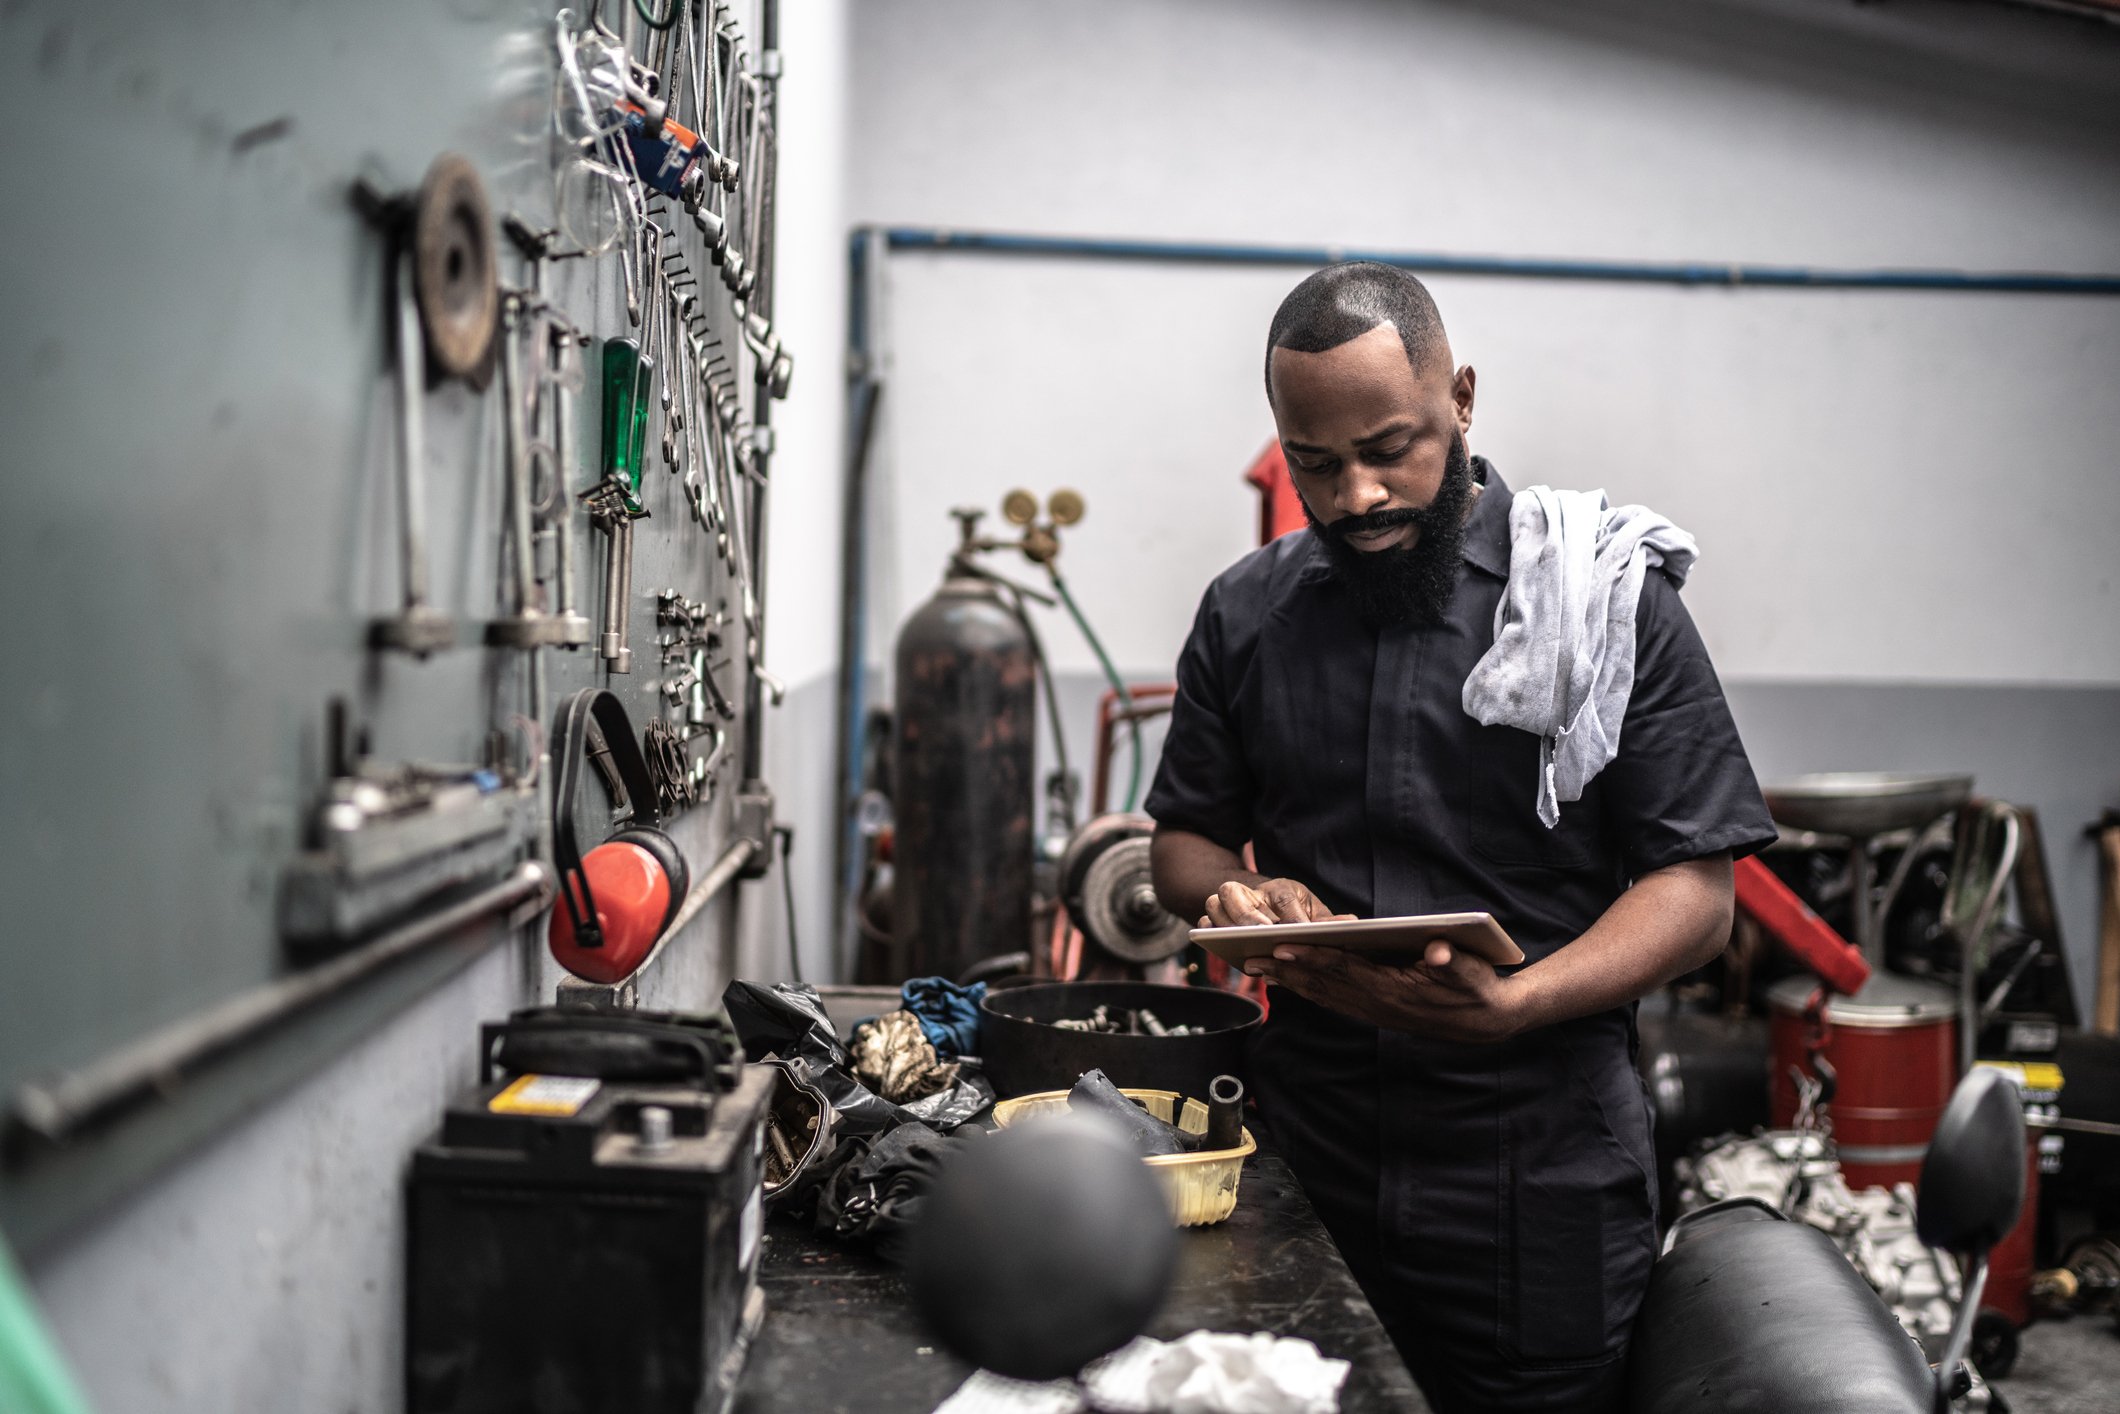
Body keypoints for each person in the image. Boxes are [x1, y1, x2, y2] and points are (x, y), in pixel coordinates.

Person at [1146, 262, 1777, 1413]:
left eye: (1392, 447)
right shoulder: (1245, 614)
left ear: (1464, 400)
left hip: (1534, 1179)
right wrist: (1235, 898)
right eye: (1316, 463)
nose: (1356, 497)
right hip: (1306, 1156)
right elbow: (1182, 842)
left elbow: (1694, 887)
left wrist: (1524, 1001)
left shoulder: (1600, 604)